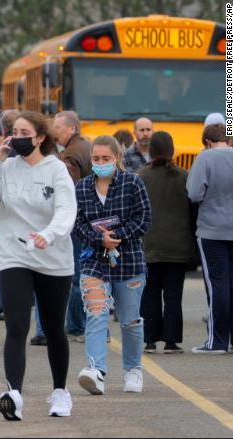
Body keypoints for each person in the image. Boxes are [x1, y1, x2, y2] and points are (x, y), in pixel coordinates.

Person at [0, 111, 77, 421]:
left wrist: (48, 235)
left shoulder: (56, 170)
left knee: (54, 328)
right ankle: (14, 394)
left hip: (53, 257)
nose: (17, 136)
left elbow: (66, 211)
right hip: (14, 255)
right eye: (13, 131)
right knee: (17, 325)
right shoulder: (5, 167)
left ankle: (60, 391)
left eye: (24, 131)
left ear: (40, 137)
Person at [75, 135, 152, 395]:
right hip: (94, 260)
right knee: (96, 314)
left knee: (130, 321)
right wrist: (100, 239)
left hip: (129, 260)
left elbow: (144, 218)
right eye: (96, 159)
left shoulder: (133, 183)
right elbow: (77, 223)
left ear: (116, 158)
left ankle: (133, 369)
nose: (100, 163)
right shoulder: (82, 187)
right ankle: (96, 370)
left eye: (106, 158)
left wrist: (118, 237)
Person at [138, 131, 195, 354]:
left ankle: (150, 339)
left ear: (151, 150)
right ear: (172, 150)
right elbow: (192, 211)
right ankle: (171, 341)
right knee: (173, 295)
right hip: (177, 246)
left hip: (149, 245)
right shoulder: (184, 176)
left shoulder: (141, 176)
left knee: (149, 293)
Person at [187, 124, 233, 354]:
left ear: (207, 141)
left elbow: (194, 193)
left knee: (218, 286)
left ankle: (217, 341)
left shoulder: (205, 159)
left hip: (212, 230)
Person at [52, 111, 92, 342]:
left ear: (71, 129)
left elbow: (70, 190)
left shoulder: (71, 155)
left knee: (77, 275)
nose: (54, 131)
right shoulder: (84, 147)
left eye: (58, 127)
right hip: (88, 220)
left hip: (78, 222)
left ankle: (78, 325)